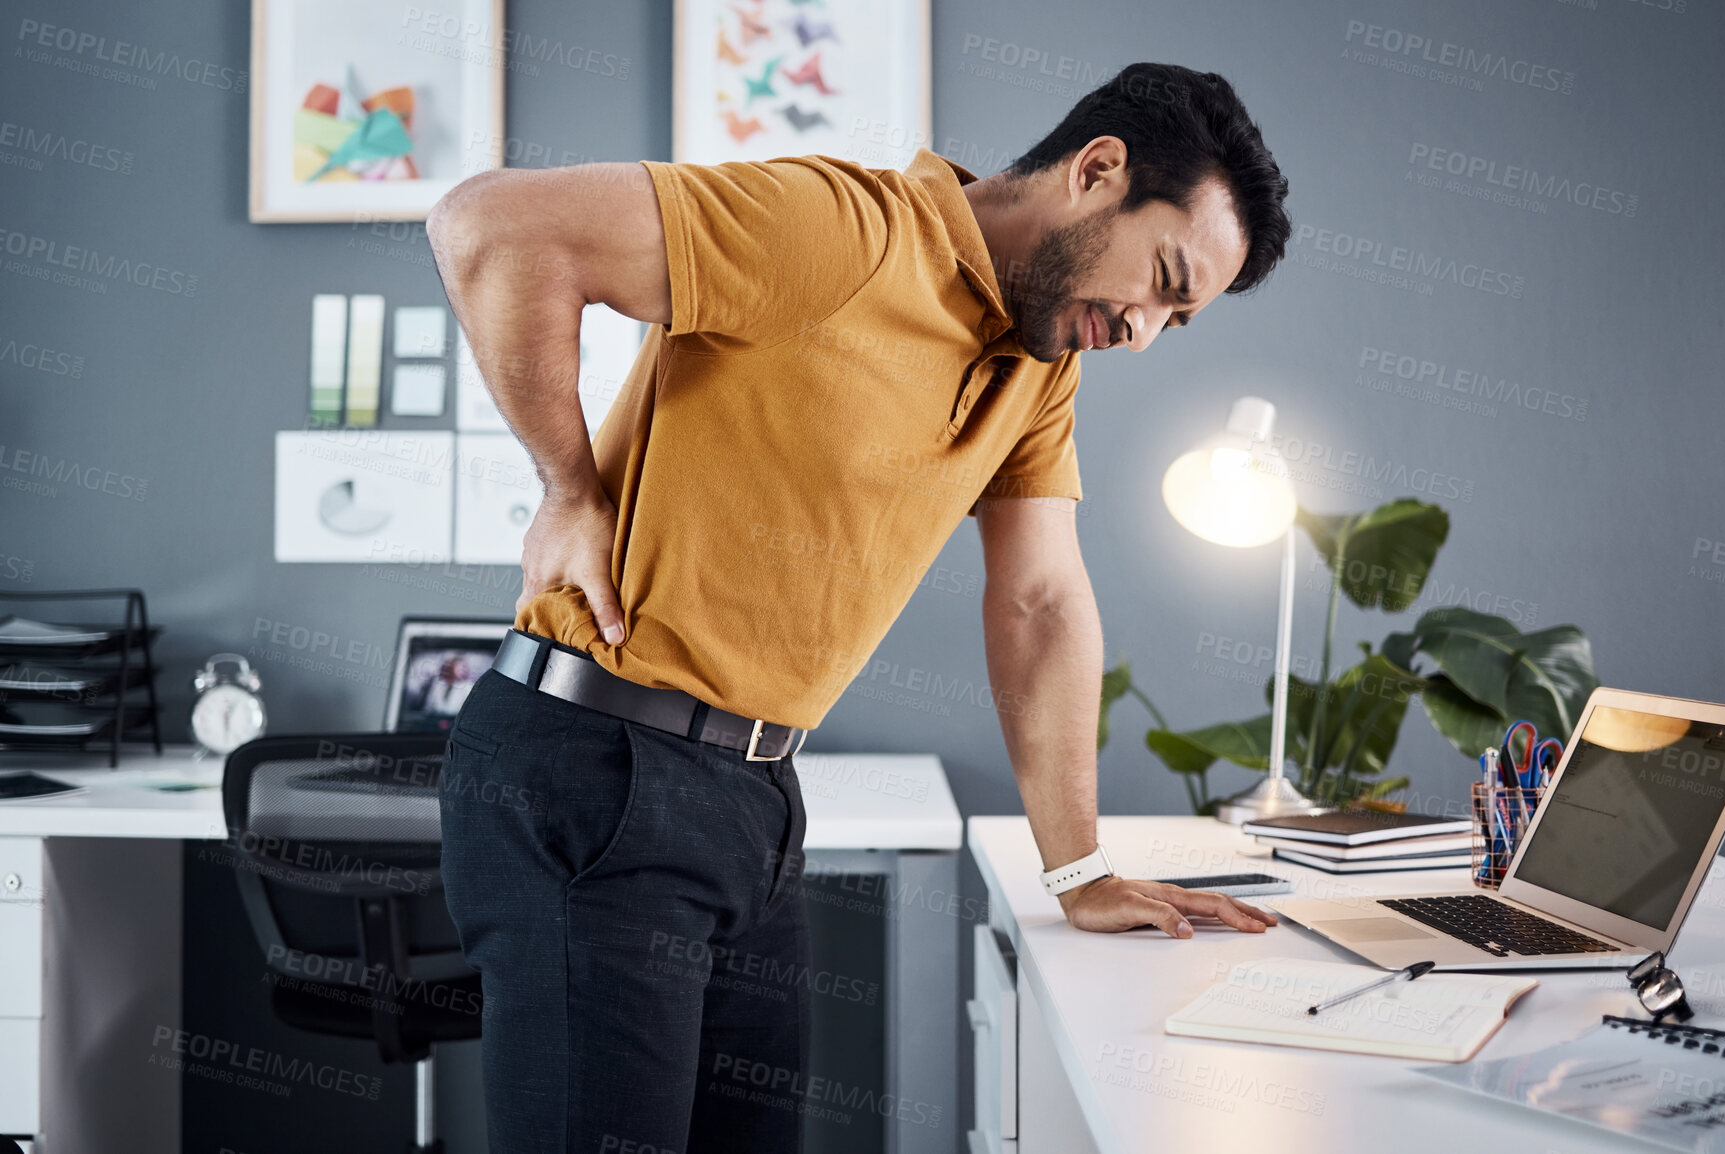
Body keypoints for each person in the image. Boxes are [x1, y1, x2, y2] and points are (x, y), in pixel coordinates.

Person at [429, 61, 1291, 1154]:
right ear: (1098, 170)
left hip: (756, 795)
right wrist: (567, 486)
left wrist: (1080, 869)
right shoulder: (843, 232)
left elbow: (1038, 599)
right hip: (598, 762)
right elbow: (494, 226)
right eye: (1161, 280)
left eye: (1180, 317)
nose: (1144, 331)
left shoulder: (1038, 366)